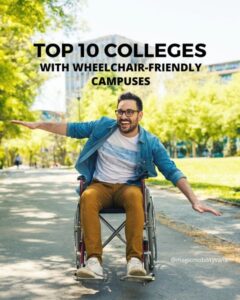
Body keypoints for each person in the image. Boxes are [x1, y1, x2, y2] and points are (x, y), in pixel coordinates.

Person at [12, 92, 221, 279]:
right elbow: (71, 129)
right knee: (87, 196)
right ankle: (94, 261)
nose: (124, 116)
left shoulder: (150, 142)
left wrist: (194, 200)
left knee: (135, 195)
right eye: (120, 111)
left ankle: (135, 261)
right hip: (100, 185)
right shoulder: (103, 126)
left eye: (130, 112)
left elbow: (172, 171)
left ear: (140, 115)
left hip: (127, 187)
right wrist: (39, 125)